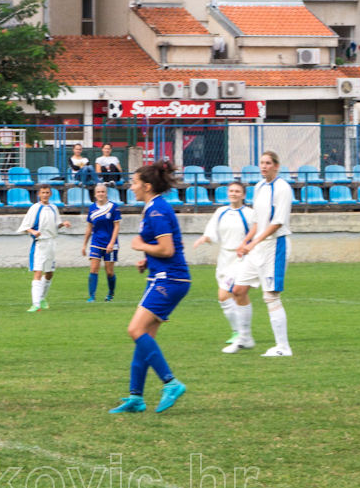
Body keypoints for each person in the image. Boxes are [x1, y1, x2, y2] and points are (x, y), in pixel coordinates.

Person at [108, 162, 189, 414]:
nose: (131, 187)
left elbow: (168, 249)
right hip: (163, 278)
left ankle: (171, 383)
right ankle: (136, 397)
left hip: (169, 280)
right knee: (145, 337)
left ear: (147, 186)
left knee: (134, 330)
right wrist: (148, 260)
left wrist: (141, 247)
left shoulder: (157, 211)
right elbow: (165, 248)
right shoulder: (153, 208)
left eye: (134, 183)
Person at [229, 151, 295, 357]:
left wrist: (254, 242)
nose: (264, 166)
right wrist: (246, 241)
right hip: (258, 247)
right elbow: (257, 221)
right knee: (238, 290)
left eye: (268, 163)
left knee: (271, 296)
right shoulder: (259, 187)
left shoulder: (282, 188)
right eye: (262, 163)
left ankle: (283, 347)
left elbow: (278, 222)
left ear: (276, 166)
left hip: (275, 246)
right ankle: (245, 338)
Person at [191, 181, 256, 349]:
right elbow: (212, 232)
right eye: (231, 191)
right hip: (224, 258)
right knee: (224, 298)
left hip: (242, 258)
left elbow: (255, 233)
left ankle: (242, 334)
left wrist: (248, 248)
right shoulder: (221, 212)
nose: (233, 194)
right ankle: (238, 332)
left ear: (243, 195)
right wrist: (205, 238)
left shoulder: (249, 214)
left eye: (237, 191)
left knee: (230, 293)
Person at [18, 184, 70, 312]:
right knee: (38, 272)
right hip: (40, 244)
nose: (45, 195)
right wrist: (33, 232)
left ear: (50, 194)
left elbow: (56, 224)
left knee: (49, 273)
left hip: (51, 243)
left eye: (47, 192)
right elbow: (25, 226)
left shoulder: (53, 208)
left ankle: (42, 298)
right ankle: (35, 304)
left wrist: (63, 224)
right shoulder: (35, 208)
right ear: (39, 194)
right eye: (43, 193)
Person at [81, 182, 121, 302]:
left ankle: (110, 294)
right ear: (95, 194)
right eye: (98, 192)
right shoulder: (92, 208)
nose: (100, 194)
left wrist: (111, 243)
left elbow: (117, 226)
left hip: (110, 244)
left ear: (106, 193)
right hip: (96, 242)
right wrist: (84, 245)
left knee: (109, 272)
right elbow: (89, 227)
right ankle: (92, 296)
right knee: (93, 269)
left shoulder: (113, 207)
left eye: (103, 191)